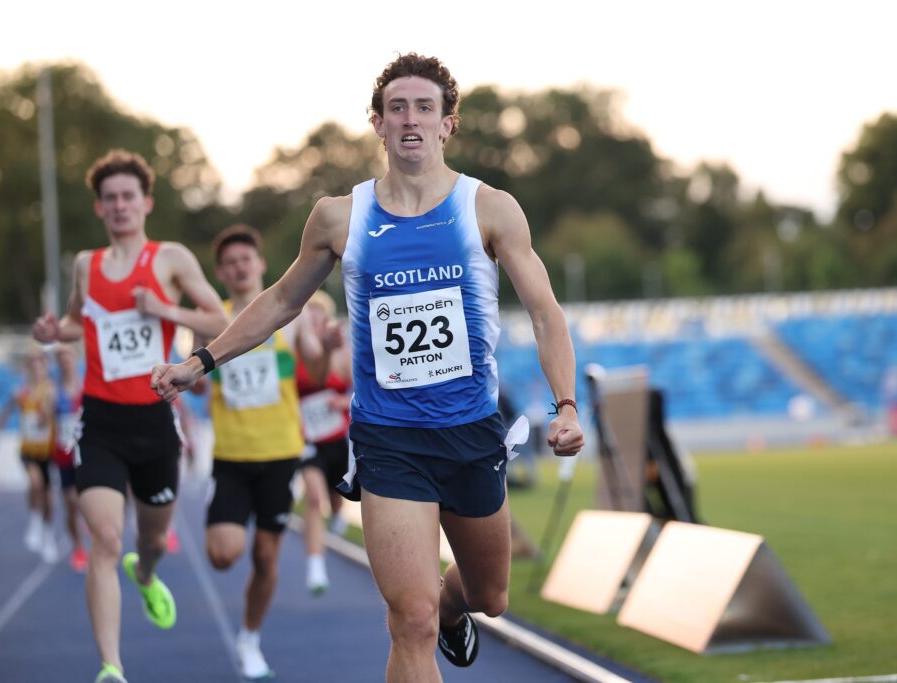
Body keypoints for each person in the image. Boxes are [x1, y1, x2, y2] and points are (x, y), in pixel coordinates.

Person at [152, 53, 584, 682]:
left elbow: (545, 313)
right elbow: (277, 301)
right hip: (389, 439)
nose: (411, 119)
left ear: (448, 125)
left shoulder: (489, 209)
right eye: (397, 108)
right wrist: (202, 360)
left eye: (425, 108)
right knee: (409, 621)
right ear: (378, 124)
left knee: (490, 596)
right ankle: (429, 612)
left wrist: (566, 403)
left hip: (470, 432)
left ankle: (454, 606)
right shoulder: (339, 217)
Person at [32, 149, 228, 683]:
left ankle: (145, 575)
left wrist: (164, 310)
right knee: (104, 538)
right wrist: (55, 334)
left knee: (148, 543)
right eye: (110, 198)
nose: (119, 206)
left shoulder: (170, 259)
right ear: (99, 207)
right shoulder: (85, 265)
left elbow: (218, 318)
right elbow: (78, 323)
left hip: (156, 423)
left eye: (128, 197)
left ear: (146, 203)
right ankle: (112, 667)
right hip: (101, 424)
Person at [191, 224, 322, 680]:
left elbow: (318, 367)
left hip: (281, 452)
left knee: (266, 556)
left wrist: (327, 348)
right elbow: (194, 378)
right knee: (223, 555)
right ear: (220, 273)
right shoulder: (213, 320)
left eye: (246, 258)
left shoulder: (291, 314)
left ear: (261, 264)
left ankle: (249, 638)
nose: (239, 266)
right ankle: (225, 517)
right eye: (229, 262)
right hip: (232, 454)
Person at [295, 289, 352, 595]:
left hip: (339, 439)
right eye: (308, 321)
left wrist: (344, 401)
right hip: (308, 440)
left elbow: (367, 392)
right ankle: (316, 568)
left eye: (318, 320)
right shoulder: (295, 355)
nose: (313, 326)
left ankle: (339, 517)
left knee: (336, 494)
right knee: (314, 497)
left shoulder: (342, 355)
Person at [0, 347, 58, 562]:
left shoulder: (49, 389)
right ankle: (35, 521)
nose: (37, 370)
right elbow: (7, 409)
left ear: (45, 368)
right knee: (35, 484)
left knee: (48, 498)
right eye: (33, 366)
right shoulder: (22, 392)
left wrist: (45, 412)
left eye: (40, 366)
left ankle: (48, 535)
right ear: (29, 369)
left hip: (46, 451)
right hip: (28, 449)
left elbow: (51, 409)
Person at [53, 343, 88, 572]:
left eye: (68, 357)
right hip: (63, 455)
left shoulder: (86, 389)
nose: (65, 362)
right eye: (61, 359)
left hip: (86, 453)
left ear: (75, 360)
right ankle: (78, 548)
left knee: (87, 503)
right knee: (70, 504)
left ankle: (93, 543)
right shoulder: (53, 392)